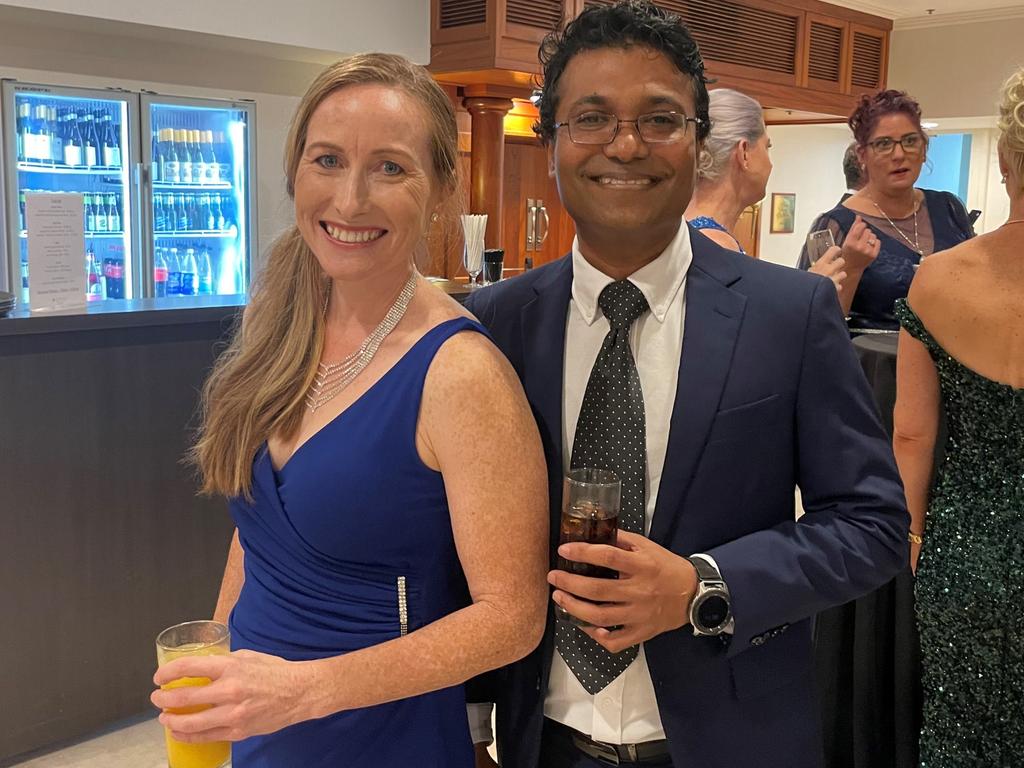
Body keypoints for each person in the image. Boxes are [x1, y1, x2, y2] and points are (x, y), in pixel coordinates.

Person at [465, 3, 909, 767]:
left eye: (660, 118)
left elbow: (871, 527)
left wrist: (705, 586)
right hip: (545, 743)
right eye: (592, 118)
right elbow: (464, 548)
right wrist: (474, 728)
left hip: (733, 741)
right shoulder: (496, 324)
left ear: (700, 141)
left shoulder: (789, 313)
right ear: (553, 144)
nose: (626, 145)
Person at [148, 53, 549, 768]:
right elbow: (259, 532)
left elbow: (512, 619)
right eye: (327, 160)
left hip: (378, 736)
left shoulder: (461, 373)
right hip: (261, 722)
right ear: (295, 170)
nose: (351, 198)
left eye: (390, 168)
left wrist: (304, 691)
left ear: (440, 189)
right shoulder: (281, 317)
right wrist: (216, 654)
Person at [892, 66, 1024, 767]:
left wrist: (911, 537)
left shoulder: (938, 277)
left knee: (961, 733)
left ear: (1004, 160)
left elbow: (912, 433)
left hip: (962, 552)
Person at [799, 89, 975, 329]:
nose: (899, 154)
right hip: (873, 362)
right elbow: (812, 322)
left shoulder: (949, 207)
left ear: (924, 149)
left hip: (950, 359)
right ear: (863, 155)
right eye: (884, 144)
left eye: (910, 141)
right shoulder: (834, 225)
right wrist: (851, 267)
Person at [684, 87, 846, 293]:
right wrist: (810, 291)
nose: (770, 163)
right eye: (767, 147)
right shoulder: (716, 245)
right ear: (744, 153)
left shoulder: (692, 229)